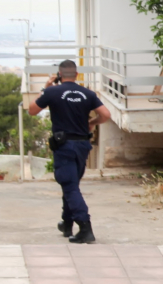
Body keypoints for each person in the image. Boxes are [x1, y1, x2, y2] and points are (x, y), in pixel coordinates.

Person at [28, 60, 111, 244]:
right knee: (71, 184)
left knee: (70, 186)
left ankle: (85, 228)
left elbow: (32, 110)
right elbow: (105, 115)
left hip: (64, 146)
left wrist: (45, 88)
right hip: (82, 146)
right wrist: (92, 123)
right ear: (76, 74)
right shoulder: (88, 94)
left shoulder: (51, 92)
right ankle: (67, 224)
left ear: (59, 74)